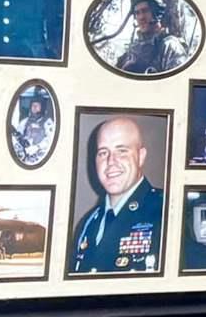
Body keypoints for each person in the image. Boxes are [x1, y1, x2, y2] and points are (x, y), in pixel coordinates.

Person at [69, 115, 163, 274]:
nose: (111, 161)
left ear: (140, 157)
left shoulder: (167, 212)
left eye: (122, 151)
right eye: (103, 153)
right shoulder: (87, 224)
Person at [110, 0, 193, 77]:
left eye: (145, 11)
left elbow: (178, 81)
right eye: (137, 13)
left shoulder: (169, 45)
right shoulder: (132, 51)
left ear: (157, 12)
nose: (141, 17)